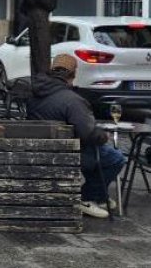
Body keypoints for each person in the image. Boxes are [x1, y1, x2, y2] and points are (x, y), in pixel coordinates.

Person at [27, 53, 125, 219]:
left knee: (99, 153)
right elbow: (88, 133)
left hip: (40, 150)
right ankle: (87, 196)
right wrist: (103, 136)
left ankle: (99, 195)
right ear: (72, 75)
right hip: (67, 154)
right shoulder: (72, 100)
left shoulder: (34, 94)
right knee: (115, 158)